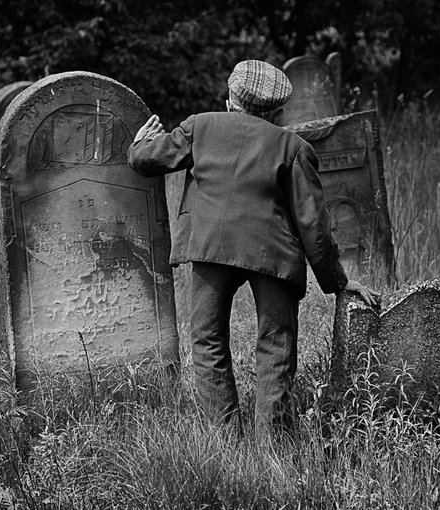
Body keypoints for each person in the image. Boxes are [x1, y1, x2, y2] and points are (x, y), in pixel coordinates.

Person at [127, 60, 379, 441]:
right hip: (272, 255)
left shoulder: (200, 127)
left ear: (230, 101)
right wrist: (338, 282)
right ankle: (272, 445)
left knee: (208, 341)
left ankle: (227, 440)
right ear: (278, 113)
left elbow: (148, 160)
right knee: (276, 346)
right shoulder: (293, 147)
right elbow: (314, 226)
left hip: (211, 249)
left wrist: (137, 147)